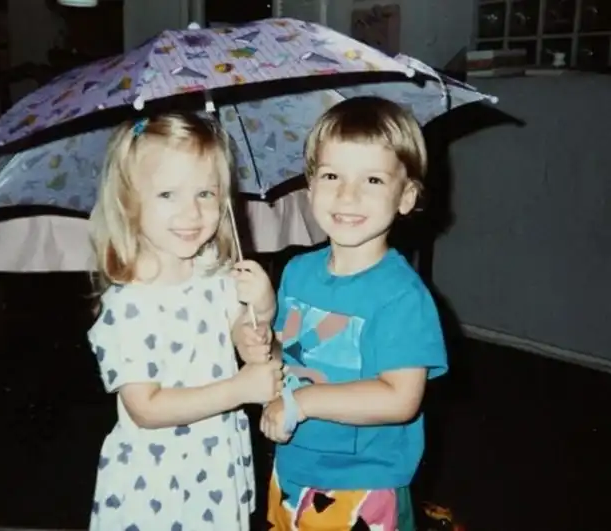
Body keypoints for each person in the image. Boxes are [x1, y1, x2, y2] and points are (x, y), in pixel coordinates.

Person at [237, 96, 448, 531]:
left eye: (372, 179)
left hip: (362, 483)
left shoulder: (401, 297)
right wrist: (260, 342)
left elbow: (400, 398)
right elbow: (285, 360)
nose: (347, 194)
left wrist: (302, 403)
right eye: (331, 175)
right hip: (293, 466)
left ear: (406, 197)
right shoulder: (297, 272)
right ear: (310, 186)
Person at [87, 112, 283, 531]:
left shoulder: (212, 270)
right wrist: (240, 389)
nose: (192, 212)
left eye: (206, 193)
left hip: (215, 468)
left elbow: (243, 332)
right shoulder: (129, 304)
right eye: (167, 194)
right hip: (157, 486)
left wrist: (261, 311)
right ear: (128, 201)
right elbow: (146, 407)